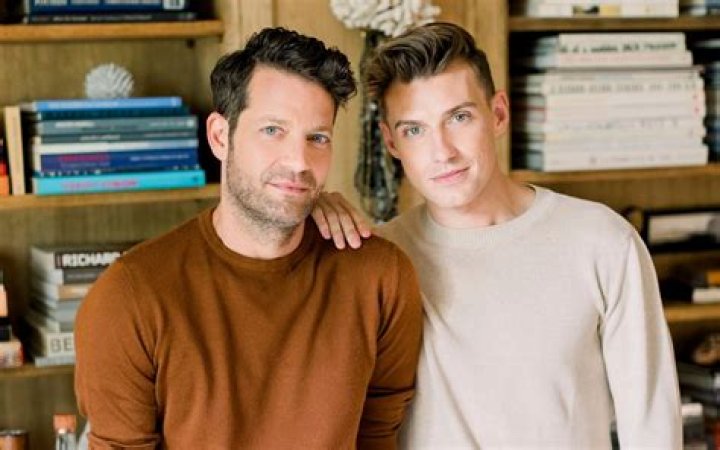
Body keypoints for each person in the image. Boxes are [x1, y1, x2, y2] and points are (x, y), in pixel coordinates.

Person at [313, 22, 682, 449]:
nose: (442, 151)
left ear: (499, 114)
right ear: (392, 142)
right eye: (414, 129)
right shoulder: (381, 259)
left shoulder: (603, 243)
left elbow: (653, 426)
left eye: (459, 117)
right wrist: (306, 214)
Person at [74, 27, 423, 449]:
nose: (299, 161)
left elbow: (378, 435)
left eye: (317, 138)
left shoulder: (380, 278)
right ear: (220, 137)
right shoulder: (129, 297)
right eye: (273, 130)